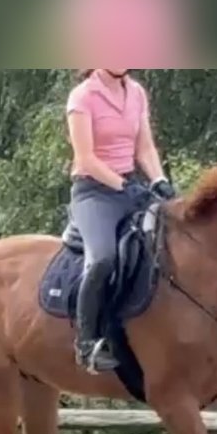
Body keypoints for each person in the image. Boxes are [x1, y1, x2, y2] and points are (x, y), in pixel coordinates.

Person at [65, 68, 176, 373]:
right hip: (94, 193)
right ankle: (86, 344)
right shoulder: (82, 96)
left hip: (130, 186)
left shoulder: (136, 92)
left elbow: (145, 148)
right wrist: (123, 186)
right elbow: (86, 158)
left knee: (173, 241)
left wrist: (159, 180)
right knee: (103, 259)